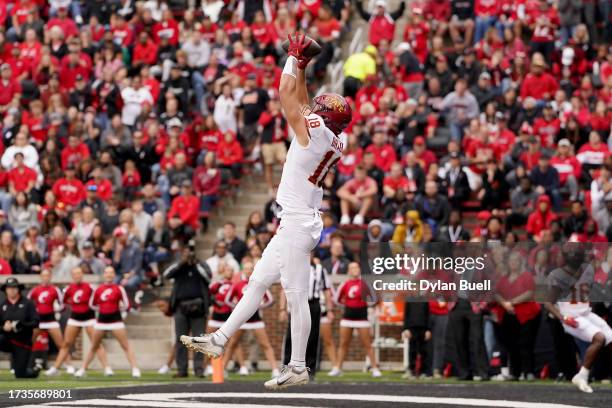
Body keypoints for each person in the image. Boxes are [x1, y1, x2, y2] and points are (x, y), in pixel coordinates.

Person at [181, 33, 352, 390]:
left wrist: (293, 58)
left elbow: (287, 97)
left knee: (295, 295)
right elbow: (303, 101)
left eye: (320, 108)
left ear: (324, 117)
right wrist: (304, 67)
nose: (314, 108)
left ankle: (299, 365)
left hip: (297, 222)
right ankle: (220, 339)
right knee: (258, 281)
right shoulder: (335, 136)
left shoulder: (317, 132)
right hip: (298, 219)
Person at [545, 245, 612, 393]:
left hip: (586, 313)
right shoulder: (558, 275)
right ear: (567, 257)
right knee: (599, 338)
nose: (577, 257)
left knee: (610, 338)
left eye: (579, 254)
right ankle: (582, 375)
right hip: (572, 317)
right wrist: (563, 318)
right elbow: (548, 303)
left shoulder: (587, 270)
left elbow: (589, 291)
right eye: (574, 254)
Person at [45, 266, 112, 377]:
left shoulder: (90, 287)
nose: (77, 276)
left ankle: (107, 368)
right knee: (66, 343)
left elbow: (97, 299)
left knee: (96, 343)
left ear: (82, 274)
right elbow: (63, 302)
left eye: (79, 273)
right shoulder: (69, 288)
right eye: (75, 274)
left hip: (89, 318)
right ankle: (56, 368)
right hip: (75, 318)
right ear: (72, 276)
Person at [76, 266, 140, 378]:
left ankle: (135, 368)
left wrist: (115, 310)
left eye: (111, 272)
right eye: (106, 273)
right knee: (94, 346)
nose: (109, 275)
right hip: (101, 321)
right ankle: (83, 369)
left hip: (116, 321)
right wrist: (102, 310)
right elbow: (92, 304)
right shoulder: (98, 289)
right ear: (104, 275)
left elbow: (126, 305)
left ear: (114, 275)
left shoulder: (119, 288)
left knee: (125, 345)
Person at [221, 258, 279, 379]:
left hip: (256, 320)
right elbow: (227, 299)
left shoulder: (259, 283)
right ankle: (222, 369)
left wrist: (260, 306)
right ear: (243, 270)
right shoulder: (238, 284)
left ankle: (275, 370)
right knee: (232, 344)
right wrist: (237, 308)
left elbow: (271, 299)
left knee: (265, 344)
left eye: (250, 269)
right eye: (246, 269)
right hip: (241, 321)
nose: (248, 271)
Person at [163, 240, 212, 378]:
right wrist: (181, 263)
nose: (187, 253)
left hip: (198, 308)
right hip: (180, 307)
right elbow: (166, 274)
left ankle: (198, 369)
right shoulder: (178, 265)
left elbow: (208, 277)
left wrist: (195, 264)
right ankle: (182, 370)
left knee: (198, 339)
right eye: (184, 251)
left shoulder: (201, 264)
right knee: (180, 339)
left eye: (189, 251)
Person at [281, 255, 333, 378]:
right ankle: (287, 368)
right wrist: (282, 309)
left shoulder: (320, 269)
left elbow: (326, 290)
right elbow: (284, 289)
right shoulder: (292, 268)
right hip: (297, 302)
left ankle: (310, 370)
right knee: (291, 335)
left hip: (313, 304)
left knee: (313, 337)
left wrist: (329, 309)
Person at [331, 262, 381, 378]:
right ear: (348, 271)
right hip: (347, 317)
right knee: (343, 344)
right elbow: (336, 299)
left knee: (367, 344)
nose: (354, 269)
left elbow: (374, 299)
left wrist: (366, 305)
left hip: (362, 317)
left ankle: (374, 368)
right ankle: (338, 368)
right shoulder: (345, 284)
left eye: (356, 267)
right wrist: (346, 305)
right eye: (352, 267)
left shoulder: (365, 283)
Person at [28, 269, 73, 373]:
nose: (45, 278)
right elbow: (27, 302)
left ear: (50, 277)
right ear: (40, 277)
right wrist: (34, 311)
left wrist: (55, 309)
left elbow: (62, 305)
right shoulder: (35, 290)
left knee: (61, 344)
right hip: (38, 320)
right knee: (29, 342)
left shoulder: (55, 289)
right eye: (43, 276)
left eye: (47, 275)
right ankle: (25, 363)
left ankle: (69, 365)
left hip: (51, 320)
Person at [0, 277, 40, 378]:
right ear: (5, 290)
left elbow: (36, 322)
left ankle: (34, 371)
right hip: (6, 340)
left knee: (20, 374)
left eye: (14, 287)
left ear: (18, 289)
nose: (11, 290)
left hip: (22, 342)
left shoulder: (28, 303)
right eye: (9, 288)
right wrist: (3, 327)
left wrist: (21, 325)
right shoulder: (2, 305)